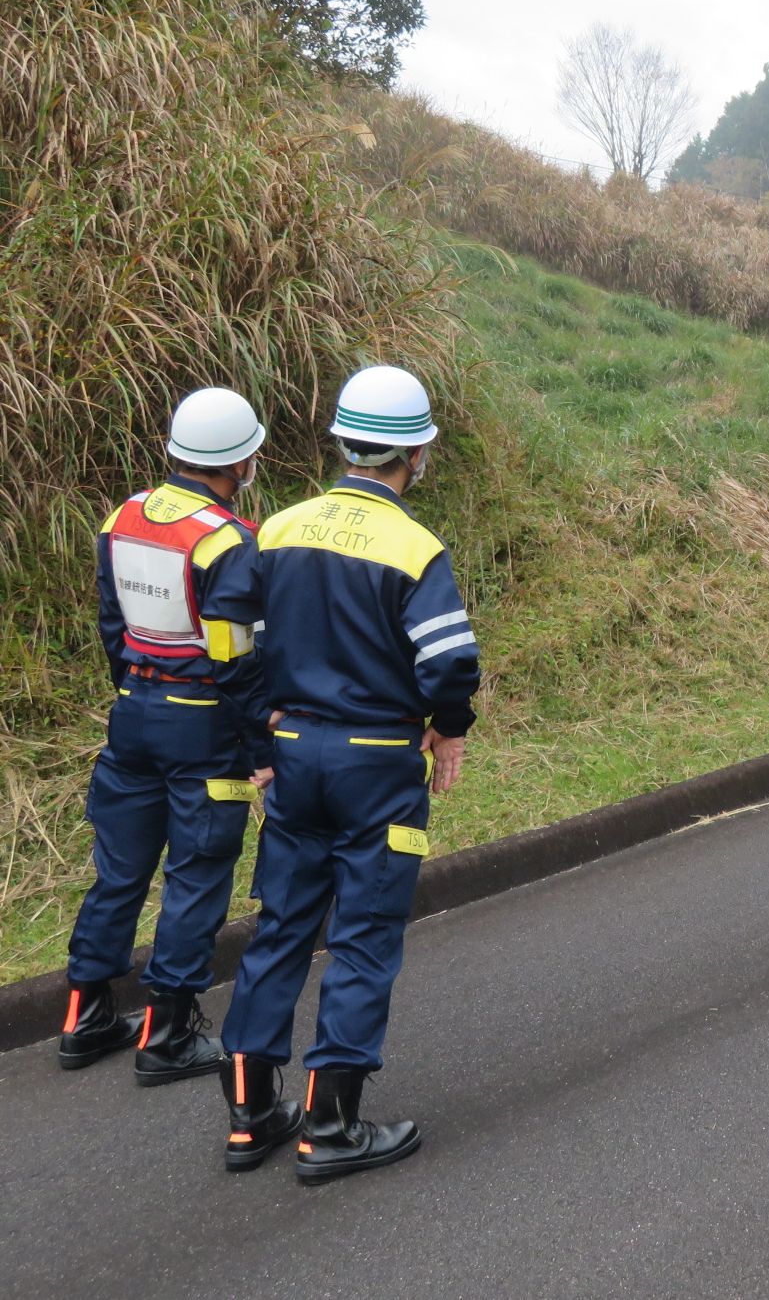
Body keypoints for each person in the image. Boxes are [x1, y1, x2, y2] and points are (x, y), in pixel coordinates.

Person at [219, 365, 480, 1180]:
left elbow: (226, 635)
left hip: (295, 753)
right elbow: (450, 662)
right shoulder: (415, 547)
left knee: (281, 928)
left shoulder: (280, 527)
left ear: (340, 442)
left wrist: (261, 726)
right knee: (363, 939)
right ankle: (330, 1128)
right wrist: (449, 730)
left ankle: (252, 1113)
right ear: (418, 455)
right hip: (377, 763)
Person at [59, 389, 273, 1084]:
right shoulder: (226, 541)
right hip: (203, 723)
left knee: (119, 869)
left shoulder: (121, 516)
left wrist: (134, 686)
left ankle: (85, 1015)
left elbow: (110, 623)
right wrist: (263, 751)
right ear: (240, 462)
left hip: (132, 712)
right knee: (198, 869)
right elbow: (236, 659)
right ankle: (168, 1033)